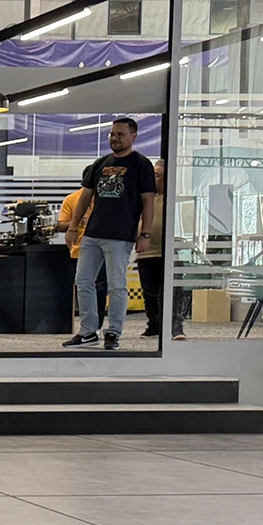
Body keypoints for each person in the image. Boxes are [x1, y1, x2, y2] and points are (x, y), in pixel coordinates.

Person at [63, 117, 157, 351]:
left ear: (133, 137)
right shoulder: (100, 163)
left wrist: (145, 234)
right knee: (83, 281)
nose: (114, 139)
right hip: (92, 233)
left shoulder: (141, 164)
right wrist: (73, 227)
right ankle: (88, 332)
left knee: (116, 285)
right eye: (112, 134)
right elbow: (85, 197)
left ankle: (113, 332)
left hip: (120, 235)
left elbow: (148, 201)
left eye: (120, 135)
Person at [135, 159, 185, 340]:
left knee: (173, 292)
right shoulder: (143, 198)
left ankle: (175, 327)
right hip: (147, 252)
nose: (153, 179)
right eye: (153, 175)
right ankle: (154, 325)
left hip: (170, 251)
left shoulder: (174, 200)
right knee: (149, 292)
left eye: (157, 176)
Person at [56, 167, 107, 325]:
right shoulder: (72, 199)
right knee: (83, 287)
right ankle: (87, 323)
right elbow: (61, 225)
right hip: (78, 251)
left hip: (102, 250)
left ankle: (97, 323)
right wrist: (76, 222)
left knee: (100, 288)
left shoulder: (106, 199)